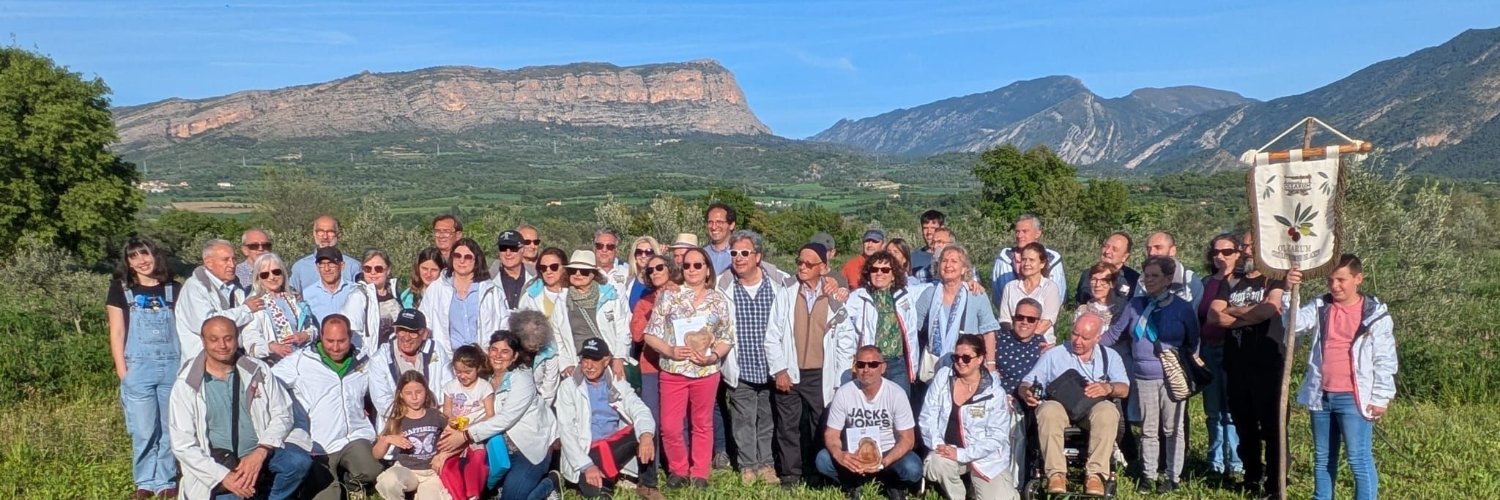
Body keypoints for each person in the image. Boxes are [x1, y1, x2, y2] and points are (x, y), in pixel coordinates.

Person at [1283, 254, 1395, 500]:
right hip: (1321, 394)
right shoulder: (1322, 306)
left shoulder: (1375, 314)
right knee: (1323, 457)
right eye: (1330, 280)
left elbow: (1385, 359)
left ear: (1358, 279)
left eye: (1341, 280)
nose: (1335, 286)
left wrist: (1380, 396)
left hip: (1355, 396)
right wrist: (1289, 291)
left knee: (1358, 458)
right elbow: (1294, 325)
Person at [170, 316, 313, 500]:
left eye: (228, 338)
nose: (222, 345)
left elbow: (283, 412)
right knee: (234, 495)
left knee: (297, 463)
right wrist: (225, 477)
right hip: (218, 464)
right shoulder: (186, 384)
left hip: (260, 452)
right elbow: (183, 445)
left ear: (237, 338)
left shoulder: (258, 370)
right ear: (203, 340)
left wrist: (262, 450)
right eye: (214, 339)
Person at [1104, 255, 1200, 493]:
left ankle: (1172, 476)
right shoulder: (1135, 305)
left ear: (1168, 278)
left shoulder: (1182, 308)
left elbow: (1194, 340)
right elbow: (1114, 334)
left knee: (1172, 428)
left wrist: (1190, 367)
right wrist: (1083, 345)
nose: (1148, 280)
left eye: (1154, 276)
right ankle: (1148, 475)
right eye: (1146, 275)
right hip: (1143, 375)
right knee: (1148, 429)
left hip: (1173, 376)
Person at [643, 247, 735, 489]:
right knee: (670, 426)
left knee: (702, 423)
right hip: (673, 370)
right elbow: (650, 335)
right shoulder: (668, 296)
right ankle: (678, 470)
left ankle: (700, 473)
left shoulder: (718, 300)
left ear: (707, 270)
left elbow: (727, 337)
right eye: (687, 265)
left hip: (705, 372)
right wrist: (670, 350)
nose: (692, 270)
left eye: (698, 265)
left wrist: (713, 356)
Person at [768, 242, 856, 488]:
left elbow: (846, 340)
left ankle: (818, 472)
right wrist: (780, 369)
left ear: (824, 268)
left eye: (809, 263)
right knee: (788, 426)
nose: (802, 267)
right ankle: (790, 475)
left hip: (821, 374)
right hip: (791, 372)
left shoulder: (834, 298)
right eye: (799, 262)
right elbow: (773, 335)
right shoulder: (786, 293)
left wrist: (841, 376)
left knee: (821, 424)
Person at [439, 328, 559, 500]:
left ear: (515, 356)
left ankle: (549, 483)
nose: (498, 355)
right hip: (498, 449)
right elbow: (469, 408)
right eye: (494, 350)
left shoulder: (521, 380)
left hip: (528, 449)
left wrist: (465, 435)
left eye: (505, 352)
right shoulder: (484, 380)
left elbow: (505, 419)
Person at [1209, 231, 1286, 498]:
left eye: (1253, 246)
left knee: (1272, 427)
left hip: (1267, 364)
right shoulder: (1231, 280)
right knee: (1244, 424)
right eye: (1245, 246)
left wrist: (1232, 311)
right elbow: (1213, 316)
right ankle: (1253, 477)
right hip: (1236, 363)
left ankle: (1276, 484)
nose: (1248, 250)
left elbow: (1271, 309)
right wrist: (1250, 315)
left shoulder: (1275, 278)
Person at [271, 315, 381, 500]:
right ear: (321, 335)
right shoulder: (300, 361)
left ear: (350, 336)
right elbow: (270, 384)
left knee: (373, 471)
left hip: (354, 436)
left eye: (341, 341)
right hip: (318, 443)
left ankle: (350, 480)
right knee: (329, 496)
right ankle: (329, 482)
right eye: (330, 341)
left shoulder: (363, 360)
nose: (336, 347)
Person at [716, 230, 796, 485]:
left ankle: (767, 464)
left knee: (768, 420)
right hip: (741, 367)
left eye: (744, 253)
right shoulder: (723, 286)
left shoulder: (780, 284)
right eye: (734, 253)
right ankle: (748, 465)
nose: (738, 258)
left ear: (758, 256)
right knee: (742, 420)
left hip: (771, 367)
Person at [1018, 312, 1129, 496]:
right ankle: (1056, 474)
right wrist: (1027, 392)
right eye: (1075, 334)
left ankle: (1095, 475)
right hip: (1061, 406)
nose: (1078, 341)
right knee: (1048, 411)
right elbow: (1027, 381)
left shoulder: (1110, 357)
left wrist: (1107, 388)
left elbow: (1124, 388)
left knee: (1107, 412)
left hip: (1091, 408)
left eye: (1085, 338)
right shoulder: (1054, 355)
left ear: (1097, 338)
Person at [107, 237, 183, 499]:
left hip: (172, 365)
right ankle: (144, 481)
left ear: (155, 255)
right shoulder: (121, 289)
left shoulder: (174, 288)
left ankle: (165, 480)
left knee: (168, 426)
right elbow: (117, 332)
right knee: (143, 429)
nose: (142, 261)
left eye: (145, 254)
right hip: (138, 367)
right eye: (134, 257)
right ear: (128, 262)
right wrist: (123, 371)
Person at [556, 338, 665, 500]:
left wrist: (646, 436)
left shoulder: (616, 381)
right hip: (588, 451)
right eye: (585, 359)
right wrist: (586, 466)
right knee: (598, 494)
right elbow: (566, 431)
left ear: (606, 360)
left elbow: (639, 408)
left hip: (613, 445)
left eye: (594, 360)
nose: (589, 366)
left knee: (647, 427)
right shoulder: (568, 387)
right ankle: (602, 483)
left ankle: (647, 485)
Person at [815, 346, 922, 500]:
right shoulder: (844, 393)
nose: (866, 369)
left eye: (873, 364)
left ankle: (891, 483)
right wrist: (841, 455)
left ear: (883, 367)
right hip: (855, 454)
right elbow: (831, 433)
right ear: (855, 367)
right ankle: (851, 483)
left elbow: (908, 439)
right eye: (861, 364)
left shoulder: (896, 394)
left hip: (887, 453)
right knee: (823, 460)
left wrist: (883, 462)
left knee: (913, 468)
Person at [920, 334, 1018, 500]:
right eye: (956, 357)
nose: (960, 362)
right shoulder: (943, 377)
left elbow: (997, 437)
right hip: (947, 451)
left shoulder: (995, 393)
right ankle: (958, 496)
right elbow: (927, 416)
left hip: (985, 458)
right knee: (937, 463)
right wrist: (938, 445)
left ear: (980, 359)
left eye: (966, 358)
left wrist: (962, 454)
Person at [527, 249, 631, 379]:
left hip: (607, 362)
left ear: (594, 273)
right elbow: (557, 336)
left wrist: (619, 358)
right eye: (573, 270)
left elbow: (623, 329)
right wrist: (566, 364)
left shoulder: (609, 296)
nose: (578, 274)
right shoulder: (562, 300)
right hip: (578, 364)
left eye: (584, 271)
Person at [846, 250, 931, 395]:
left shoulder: (906, 294)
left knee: (900, 409)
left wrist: (969, 283)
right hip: (870, 364)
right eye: (874, 269)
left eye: (885, 270)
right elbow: (840, 318)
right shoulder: (858, 298)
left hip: (897, 364)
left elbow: (934, 288)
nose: (879, 273)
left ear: (893, 275)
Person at [1197, 233, 1245, 480]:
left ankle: (1235, 463)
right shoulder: (1205, 283)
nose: (1220, 256)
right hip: (1207, 350)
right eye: (1216, 252)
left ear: (1239, 253)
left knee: (1232, 410)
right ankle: (1215, 462)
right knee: (1213, 410)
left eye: (1227, 252)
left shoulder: (1243, 283)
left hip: (1233, 351)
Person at [175, 239, 263, 364]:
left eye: (234, 259)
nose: (232, 265)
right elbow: (207, 324)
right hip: (202, 365)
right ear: (209, 263)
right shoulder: (194, 288)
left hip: (234, 362)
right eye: (225, 260)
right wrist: (245, 310)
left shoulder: (236, 287)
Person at [420, 238, 508, 356]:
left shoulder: (492, 291)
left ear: (477, 260)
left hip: (483, 358)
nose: (462, 260)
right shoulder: (436, 289)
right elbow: (425, 324)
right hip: (447, 359)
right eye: (457, 255)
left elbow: (504, 324)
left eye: (467, 257)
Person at [368, 309, 453, 431]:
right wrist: (415, 418)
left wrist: (431, 417)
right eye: (402, 331)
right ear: (396, 331)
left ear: (424, 334)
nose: (406, 337)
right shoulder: (380, 359)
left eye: (413, 332)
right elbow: (382, 401)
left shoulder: (436, 349)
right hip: (398, 426)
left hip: (436, 422)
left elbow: (448, 389)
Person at [631, 254, 679, 468]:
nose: (655, 272)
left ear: (669, 268)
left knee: (676, 419)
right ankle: (654, 464)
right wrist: (655, 308)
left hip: (679, 364)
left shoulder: (682, 294)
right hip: (651, 365)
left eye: (660, 267)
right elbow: (637, 335)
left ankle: (677, 466)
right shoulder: (644, 302)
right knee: (652, 416)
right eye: (650, 270)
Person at [373, 371, 449, 500]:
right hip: (406, 470)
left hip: (432, 473)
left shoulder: (436, 415)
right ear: (401, 395)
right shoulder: (397, 420)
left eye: (418, 392)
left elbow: (453, 437)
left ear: (426, 391)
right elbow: (376, 454)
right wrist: (388, 439)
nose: (414, 397)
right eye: (408, 393)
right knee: (388, 481)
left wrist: (444, 454)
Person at [926, 245, 1001, 374]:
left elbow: (988, 331)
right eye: (944, 261)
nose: (948, 265)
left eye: (954, 261)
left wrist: (991, 364)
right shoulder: (929, 294)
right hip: (934, 367)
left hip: (967, 364)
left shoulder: (976, 294)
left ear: (964, 269)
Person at [239, 252, 316, 365]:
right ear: (258, 278)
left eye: (276, 272)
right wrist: (272, 347)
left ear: (283, 273)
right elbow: (250, 341)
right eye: (265, 274)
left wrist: (306, 335)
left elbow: (312, 327)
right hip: (271, 365)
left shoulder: (294, 298)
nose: (272, 277)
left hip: (302, 361)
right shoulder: (254, 303)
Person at [438, 345, 494, 500]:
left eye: (467, 372)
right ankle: (457, 495)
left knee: (477, 460)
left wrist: (470, 428)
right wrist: (450, 420)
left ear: (477, 368)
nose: (462, 376)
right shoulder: (451, 386)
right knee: (446, 463)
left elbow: (490, 415)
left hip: (474, 433)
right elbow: (447, 410)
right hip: (453, 430)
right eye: (458, 372)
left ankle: (473, 493)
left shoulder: (484, 387)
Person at [341, 249, 415, 352]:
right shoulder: (357, 296)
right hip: (371, 358)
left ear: (388, 270)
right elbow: (352, 333)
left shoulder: (395, 294)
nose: (373, 272)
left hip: (396, 355)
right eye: (367, 268)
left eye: (378, 269)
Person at [991, 214, 1066, 306]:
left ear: (1037, 234)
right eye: (1017, 232)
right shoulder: (1005, 258)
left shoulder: (1052, 259)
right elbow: (999, 296)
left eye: (1025, 231)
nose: (1019, 235)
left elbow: (1058, 295)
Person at [997, 242, 1062, 345]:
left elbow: (1046, 322)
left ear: (1042, 263)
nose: (1026, 264)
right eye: (1024, 259)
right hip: (1012, 344)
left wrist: (1026, 341)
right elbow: (1005, 320)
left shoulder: (1050, 288)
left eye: (1031, 260)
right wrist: (1015, 340)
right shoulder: (1010, 287)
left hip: (1042, 345)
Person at [288, 215, 359, 293]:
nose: (325, 237)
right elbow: (292, 298)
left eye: (330, 232)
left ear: (338, 235)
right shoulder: (300, 268)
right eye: (320, 232)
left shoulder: (353, 267)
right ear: (314, 234)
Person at [993, 298, 1046, 396]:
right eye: (1020, 317)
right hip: (1000, 399)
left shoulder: (1041, 344)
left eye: (1031, 319)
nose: (1024, 322)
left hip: (1030, 400)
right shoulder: (997, 341)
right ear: (1013, 318)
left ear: (1038, 322)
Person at [1074, 232, 1139, 307]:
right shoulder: (1088, 274)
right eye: (1106, 246)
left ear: (1125, 257)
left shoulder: (1134, 280)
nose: (1107, 251)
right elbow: (1080, 302)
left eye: (1114, 249)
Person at [1140, 232, 1202, 306]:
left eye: (1158, 247)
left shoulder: (1189, 280)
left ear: (1173, 250)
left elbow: (1189, 313)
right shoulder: (1143, 278)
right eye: (1149, 249)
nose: (1151, 253)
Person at [301, 247, 356, 325]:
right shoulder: (307, 294)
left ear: (342, 266)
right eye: (322, 264)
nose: (327, 269)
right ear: (317, 267)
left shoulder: (354, 290)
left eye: (331, 263)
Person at [489, 231, 536, 311]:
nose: (508, 253)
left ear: (522, 250)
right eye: (503, 248)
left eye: (513, 248)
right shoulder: (488, 282)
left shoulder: (536, 279)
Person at [594, 228, 632, 300]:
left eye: (610, 247)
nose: (604, 250)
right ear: (595, 248)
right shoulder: (586, 273)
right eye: (599, 246)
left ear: (616, 250)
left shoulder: (627, 273)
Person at [626, 236, 663, 310]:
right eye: (639, 252)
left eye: (648, 252)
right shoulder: (628, 280)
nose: (643, 256)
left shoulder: (662, 280)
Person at [909, 209, 945, 281]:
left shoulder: (952, 255)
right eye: (925, 228)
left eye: (933, 228)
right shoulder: (913, 258)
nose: (929, 232)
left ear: (942, 229)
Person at [702, 202, 737, 273]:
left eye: (719, 222)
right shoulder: (701, 255)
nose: (714, 227)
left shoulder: (740, 255)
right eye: (710, 222)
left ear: (732, 225)